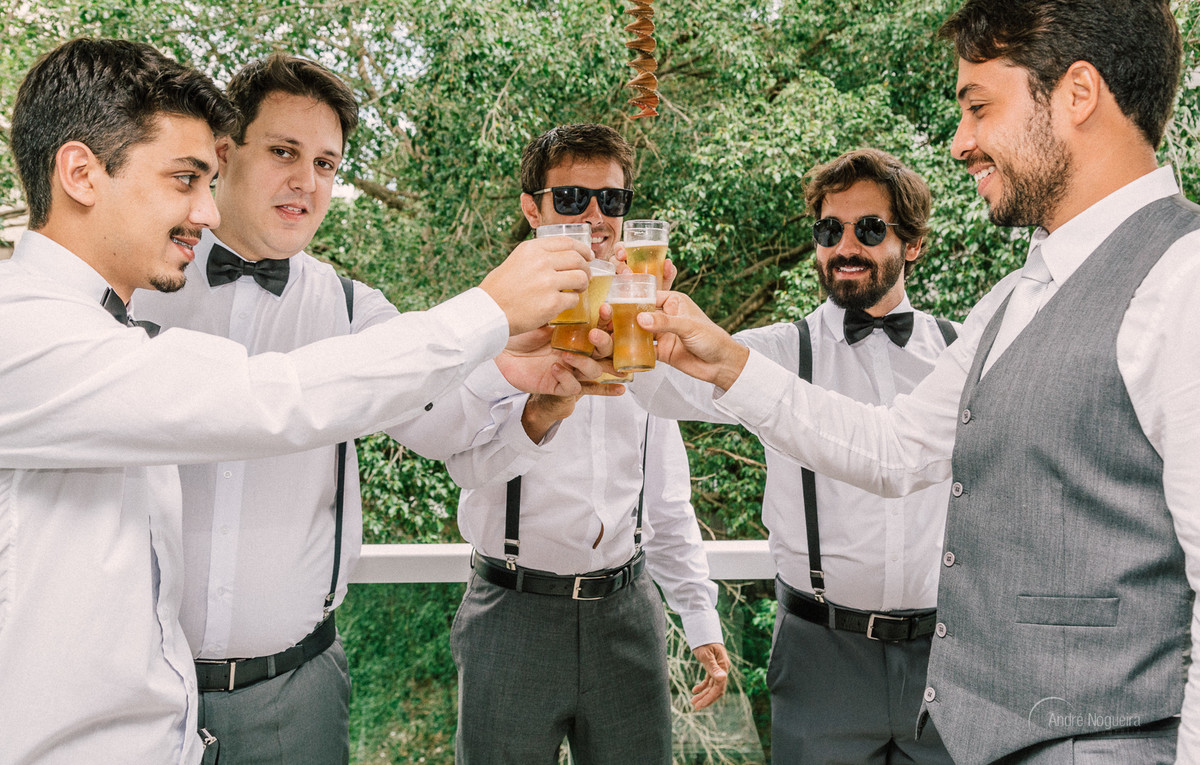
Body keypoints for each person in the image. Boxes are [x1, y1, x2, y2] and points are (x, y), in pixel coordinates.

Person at [0, 38, 596, 764]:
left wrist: (514, 377)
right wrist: (486, 309)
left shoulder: (117, 312)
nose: (206, 210)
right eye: (188, 177)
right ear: (81, 172)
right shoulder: (29, 331)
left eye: (326, 164)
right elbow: (267, 398)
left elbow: (446, 422)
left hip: (251, 701)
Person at [637, 1, 1199, 763]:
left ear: (1076, 93)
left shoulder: (1184, 280)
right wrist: (723, 360)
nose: (962, 142)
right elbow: (895, 449)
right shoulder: (1012, 300)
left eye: (978, 106)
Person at [397, 123, 729, 764]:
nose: (596, 217)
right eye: (572, 200)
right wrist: (540, 409)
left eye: (612, 200)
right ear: (533, 209)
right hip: (513, 613)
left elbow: (664, 498)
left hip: (627, 611)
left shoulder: (648, 323)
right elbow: (462, 463)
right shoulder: (484, 320)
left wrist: (698, 614)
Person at [631, 148, 957, 764]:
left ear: (911, 244)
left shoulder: (959, 354)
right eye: (829, 231)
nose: (845, 247)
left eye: (868, 229)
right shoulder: (778, 353)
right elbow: (659, 388)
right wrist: (634, 305)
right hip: (820, 654)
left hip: (947, 656)